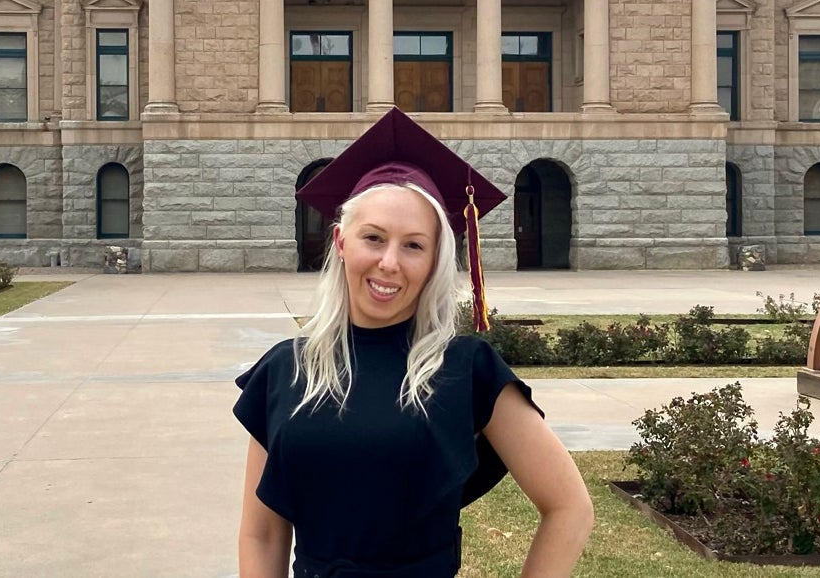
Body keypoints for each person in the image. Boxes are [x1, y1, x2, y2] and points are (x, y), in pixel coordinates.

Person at [234, 108, 593, 577]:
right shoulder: (287, 370)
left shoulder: (467, 370)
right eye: (374, 238)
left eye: (413, 245)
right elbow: (263, 533)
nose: (389, 262)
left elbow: (569, 506)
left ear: (435, 260)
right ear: (341, 242)